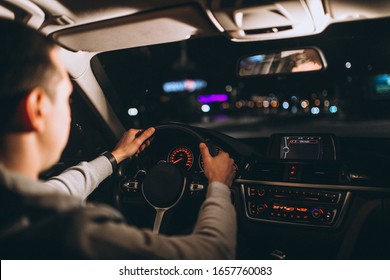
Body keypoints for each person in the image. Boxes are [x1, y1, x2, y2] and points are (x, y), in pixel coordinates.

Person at [0, 19, 236, 259]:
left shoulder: (14, 211)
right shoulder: (73, 233)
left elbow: (55, 190)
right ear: (37, 108)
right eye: (66, 99)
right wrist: (218, 186)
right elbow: (213, 256)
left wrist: (116, 156)